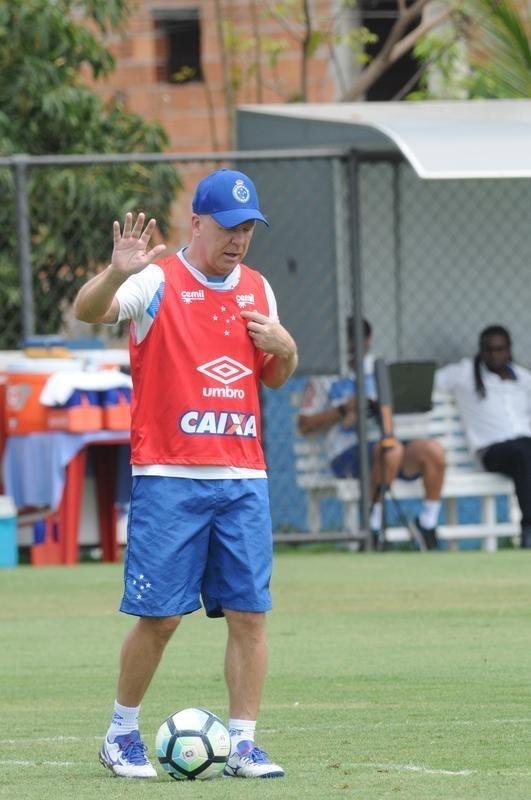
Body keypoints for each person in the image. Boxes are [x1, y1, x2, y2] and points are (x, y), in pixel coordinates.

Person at [73, 169, 298, 779]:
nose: (238, 240)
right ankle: (121, 734)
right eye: (228, 227)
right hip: (169, 474)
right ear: (196, 223)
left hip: (243, 476)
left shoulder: (258, 288)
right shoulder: (155, 279)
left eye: (248, 229)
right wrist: (116, 272)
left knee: (250, 614)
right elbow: (88, 311)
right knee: (161, 617)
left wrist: (287, 348)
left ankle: (244, 744)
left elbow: (274, 375)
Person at [297, 319, 445, 549]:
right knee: (391, 450)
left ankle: (427, 525)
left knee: (432, 450)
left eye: (358, 339)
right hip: (347, 453)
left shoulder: (382, 370)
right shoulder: (325, 376)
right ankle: (372, 528)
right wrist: (343, 410)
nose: (352, 346)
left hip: (390, 440)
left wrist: (383, 407)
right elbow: (304, 424)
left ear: (368, 340)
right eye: (347, 340)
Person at [435, 324, 531, 549]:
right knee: (523, 454)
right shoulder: (465, 373)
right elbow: (427, 380)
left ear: (509, 350)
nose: (494, 355)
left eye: (499, 349)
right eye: (489, 350)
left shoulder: (524, 378)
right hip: (492, 451)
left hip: (524, 446)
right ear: (481, 350)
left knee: (525, 452)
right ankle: (529, 528)